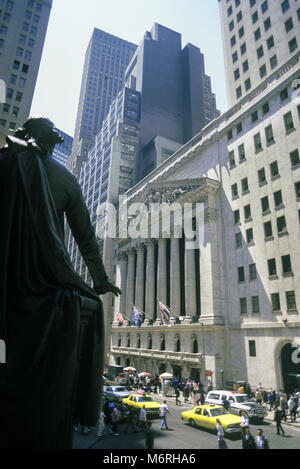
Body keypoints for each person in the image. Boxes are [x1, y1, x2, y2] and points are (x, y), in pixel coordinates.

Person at [0, 117, 121, 449]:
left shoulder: (4, 160)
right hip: (44, 277)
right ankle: (83, 409)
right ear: (52, 143)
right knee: (93, 307)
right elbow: (84, 236)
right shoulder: (65, 179)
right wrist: (100, 281)